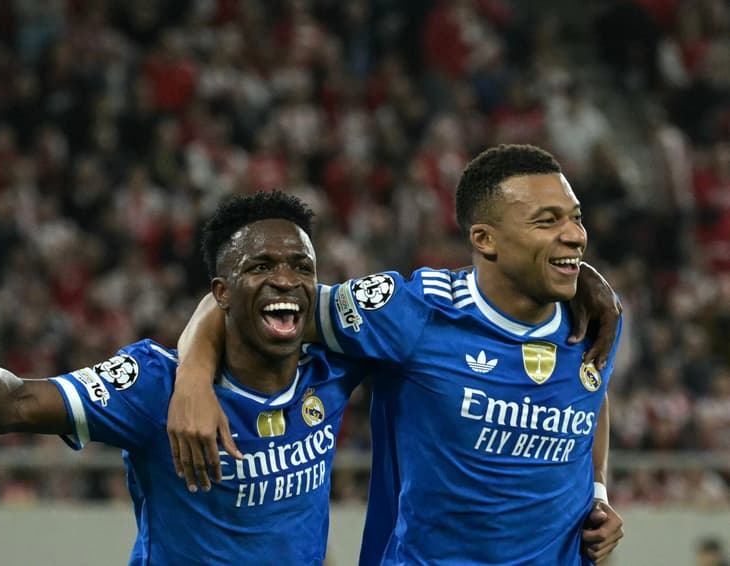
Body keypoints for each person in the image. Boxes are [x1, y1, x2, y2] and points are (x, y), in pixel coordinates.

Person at [168, 144, 625, 565]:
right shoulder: (410, 314)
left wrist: (598, 491)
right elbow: (249, 302)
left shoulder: (594, 318)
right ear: (485, 239)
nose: (575, 236)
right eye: (547, 221)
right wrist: (191, 378)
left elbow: (590, 394)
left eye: (575, 218)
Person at [0, 190, 378, 565]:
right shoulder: (153, 384)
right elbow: (10, 404)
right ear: (222, 293)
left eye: (302, 267)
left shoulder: (332, 366)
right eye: (261, 266)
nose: (286, 279)